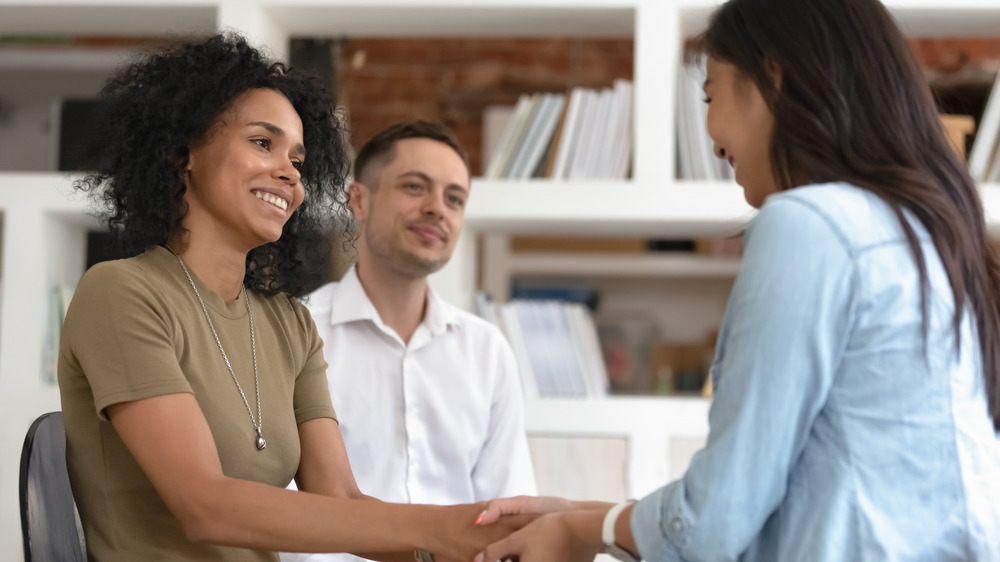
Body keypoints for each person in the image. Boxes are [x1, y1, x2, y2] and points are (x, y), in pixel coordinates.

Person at [474, 0, 1000, 560]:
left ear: (772, 76)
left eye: (710, 94)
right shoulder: (924, 232)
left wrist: (586, 530)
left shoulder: (811, 225)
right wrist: (590, 517)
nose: (711, 134)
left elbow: (713, 524)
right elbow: (799, 491)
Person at [57, 32, 524, 562]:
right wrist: (443, 531)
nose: (288, 173)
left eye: (298, 161)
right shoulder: (123, 292)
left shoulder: (289, 324)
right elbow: (204, 506)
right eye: (262, 143)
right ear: (183, 153)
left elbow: (341, 498)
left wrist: (465, 550)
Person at [281, 121, 537, 562]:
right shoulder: (296, 331)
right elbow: (278, 509)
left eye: (454, 199)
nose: (437, 208)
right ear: (358, 200)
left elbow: (507, 508)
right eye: (416, 187)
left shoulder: (486, 350)